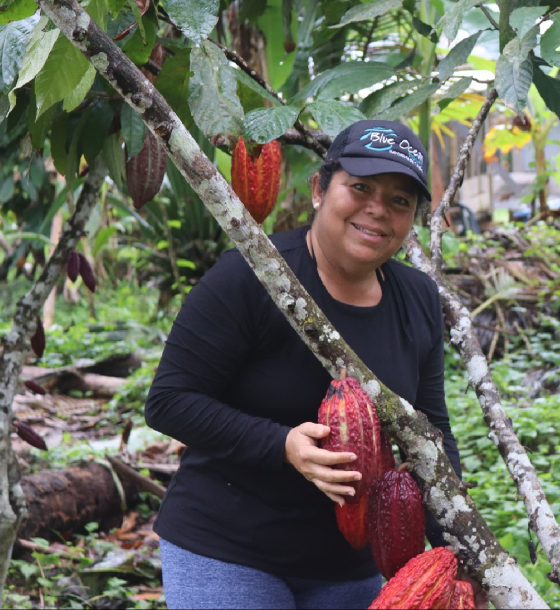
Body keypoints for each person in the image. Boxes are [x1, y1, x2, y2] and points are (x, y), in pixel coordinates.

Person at [145, 120, 461, 610]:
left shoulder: (416, 298)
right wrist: (283, 445)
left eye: (400, 200)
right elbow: (169, 402)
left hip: (351, 566)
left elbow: (432, 429)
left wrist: (457, 552)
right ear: (319, 189)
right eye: (360, 188)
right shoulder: (254, 274)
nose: (378, 209)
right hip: (228, 549)